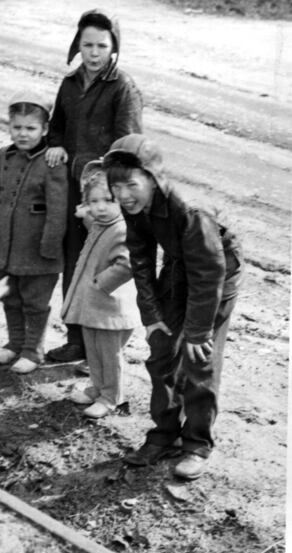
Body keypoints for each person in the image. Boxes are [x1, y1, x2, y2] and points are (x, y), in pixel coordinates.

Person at [102, 134, 244, 480]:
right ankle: (164, 435)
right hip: (179, 266)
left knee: (198, 360)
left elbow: (208, 275)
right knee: (162, 351)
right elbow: (140, 258)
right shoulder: (134, 205)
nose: (123, 195)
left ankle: (196, 443)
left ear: (153, 179)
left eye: (131, 184)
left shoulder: (191, 211)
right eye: (115, 187)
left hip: (217, 272)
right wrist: (152, 316)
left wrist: (197, 333)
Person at [45, 9, 143, 363]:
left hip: (105, 195)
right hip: (74, 189)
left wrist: (108, 187)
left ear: (113, 47)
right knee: (75, 261)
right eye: (88, 45)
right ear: (78, 45)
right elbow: (56, 126)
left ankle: (102, 348)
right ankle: (76, 340)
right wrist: (56, 144)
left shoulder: (123, 87)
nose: (94, 53)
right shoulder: (70, 83)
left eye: (102, 45)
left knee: (105, 266)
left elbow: (128, 145)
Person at [0, 95, 68, 374]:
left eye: (31, 128)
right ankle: (15, 343)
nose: (23, 134)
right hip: (6, 243)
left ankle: (33, 351)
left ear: (45, 129)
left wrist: (50, 246)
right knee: (9, 295)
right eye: (17, 127)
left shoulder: (52, 161)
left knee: (35, 301)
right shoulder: (5, 155)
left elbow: (58, 209)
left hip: (37, 247)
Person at [61, 162, 140, 419]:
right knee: (93, 352)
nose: (101, 207)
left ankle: (110, 397)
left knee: (109, 355)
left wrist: (101, 283)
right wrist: (85, 213)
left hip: (111, 308)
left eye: (108, 200)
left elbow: (127, 264)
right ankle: (97, 387)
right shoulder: (100, 224)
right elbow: (92, 226)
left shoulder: (123, 229)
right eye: (94, 202)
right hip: (94, 306)